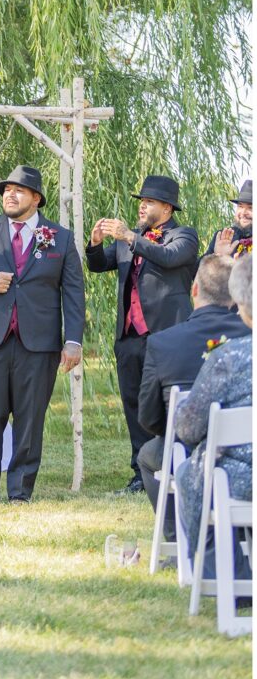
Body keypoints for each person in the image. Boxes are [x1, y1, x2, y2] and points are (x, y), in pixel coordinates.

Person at [0, 165, 85, 505]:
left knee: (29, 419)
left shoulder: (60, 238)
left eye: (19, 190)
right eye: (7, 189)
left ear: (36, 198)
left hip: (38, 345)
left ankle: (20, 493)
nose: (10, 194)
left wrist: (73, 340)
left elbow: (74, 292)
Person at [85, 174, 198, 494]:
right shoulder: (129, 238)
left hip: (166, 335)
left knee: (168, 404)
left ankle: (178, 465)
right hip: (129, 336)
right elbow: (98, 265)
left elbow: (169, 258)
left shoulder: (184, 236)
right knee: (134, 403)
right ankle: (140, 472)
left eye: (148, 202)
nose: (142, 207)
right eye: (140, 202)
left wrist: (131, 238)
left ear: (166, 207)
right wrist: (95, 244)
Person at [137, 255, 251, 542]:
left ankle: (179, 538)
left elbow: (150, 419)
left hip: (186, 452)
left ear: (195, 290)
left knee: (148, 455)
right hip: (249, 454)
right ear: (236, 296)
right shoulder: (248, 337)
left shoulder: (163, 342)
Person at [174, 256, 252, 580]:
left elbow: (189, 428)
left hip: (244, 480)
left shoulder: (230, 357)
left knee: (190, 473)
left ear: (242, 305)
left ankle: (223, 573)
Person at [201, 179, 252, 260]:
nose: (243, 212)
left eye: (250, 208)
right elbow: (198, 270)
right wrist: (218, 256)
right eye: (240, 206)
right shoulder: (223, 236)